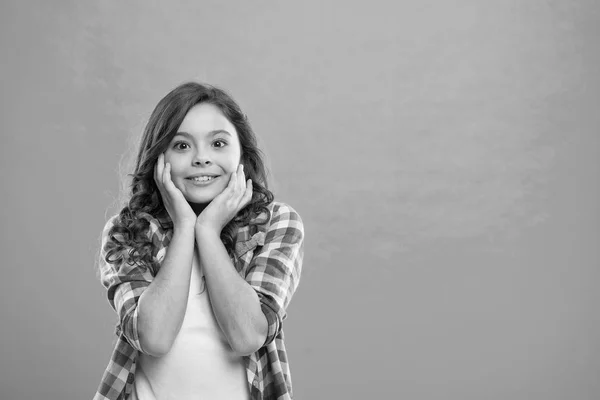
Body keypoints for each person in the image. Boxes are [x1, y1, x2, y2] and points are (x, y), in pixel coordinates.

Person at [93, 82, 304, 400]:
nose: (202, 158)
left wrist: (207, 232)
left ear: (241, 155)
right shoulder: (127, 231)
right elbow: (154, 338)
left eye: (218, 143)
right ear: (159, 158)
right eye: (181, 146)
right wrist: (184, 227)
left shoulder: (277, 223)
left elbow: (248, 336)